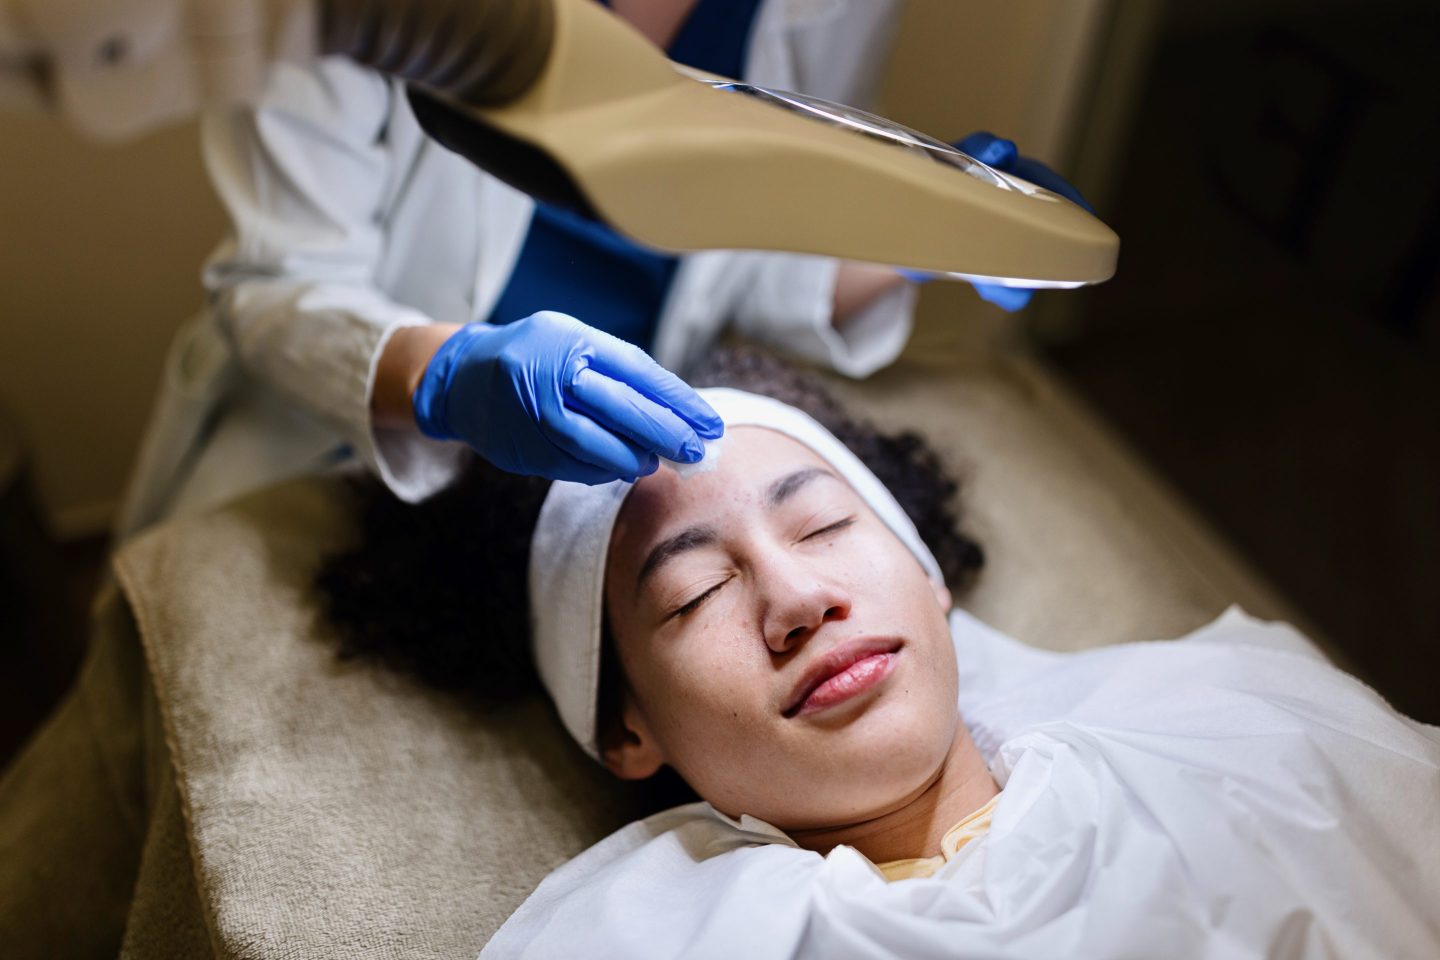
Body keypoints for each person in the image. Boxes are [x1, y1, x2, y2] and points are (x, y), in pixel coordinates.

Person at [319, 347, 1440, 958]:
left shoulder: (1234, 726)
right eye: (699, 588)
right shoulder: (648, 939)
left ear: (929, 578)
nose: (799, 597)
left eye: (822, 527)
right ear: (628, 728)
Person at [119, 0, 1087, 534]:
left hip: (584, 483)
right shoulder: (361, 14)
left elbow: (742, 255)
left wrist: (929, 244)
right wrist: (449, 380)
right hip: (329, 441)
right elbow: (276, 287)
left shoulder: (830, 11)